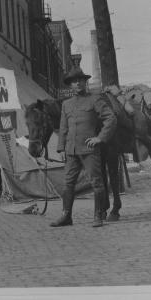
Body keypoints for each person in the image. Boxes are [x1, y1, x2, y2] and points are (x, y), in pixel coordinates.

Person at [51, 66, 117, 228]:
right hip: (71, 150)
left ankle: (98, 215)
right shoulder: (66, 104)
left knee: (96, 182)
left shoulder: (94, 99)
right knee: (68, 183)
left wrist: (100, 138)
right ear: (70, 85)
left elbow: (111, 118)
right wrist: (60, 149)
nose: (78, 84)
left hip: (89, 150)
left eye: (80, 80)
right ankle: (66, 216)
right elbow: (63, 128)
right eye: (74, 82)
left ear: (85, 82)